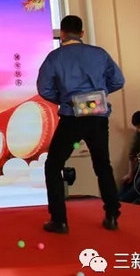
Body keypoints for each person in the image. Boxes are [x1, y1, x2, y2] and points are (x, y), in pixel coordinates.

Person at [37, 15, 125, 234]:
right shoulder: (99, 53)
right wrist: (98, 96)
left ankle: (59, 220)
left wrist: (65, 99)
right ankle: (112, 214)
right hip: (98, 116)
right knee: (102, 164)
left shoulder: (55, 57)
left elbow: (44, 88)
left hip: (71, 116)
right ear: (82, 33)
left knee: (54, 165)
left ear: (62, 34)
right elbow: (118, 81)